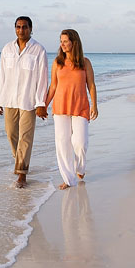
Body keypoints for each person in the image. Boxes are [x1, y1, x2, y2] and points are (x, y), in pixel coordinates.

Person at [0, 16, 49, 188]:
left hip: (28, 100)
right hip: (9, 98)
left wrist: (41, 103)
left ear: (31, 29)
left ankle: (22, 173)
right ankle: (19, 162)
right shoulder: (7, 49)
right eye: (18, 27)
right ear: (15, 28)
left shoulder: (38, 50)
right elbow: (2, 74)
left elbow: (42, 78)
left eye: (25, 27)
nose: (21, 30)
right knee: (11, 133)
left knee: (25, 136)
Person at [45, 29, 98, 189]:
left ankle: (80, 168)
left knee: (80, 143)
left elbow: (91, 85)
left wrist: (94, 105)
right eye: (61, 41)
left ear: (74, 43)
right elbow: (53, 86)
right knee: (62, 143)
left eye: (65, 41)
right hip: (60, 107)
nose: (62, 44)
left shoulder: (85, 62)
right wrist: (44, 105)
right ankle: (68, 179)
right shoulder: (57, 62)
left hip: (81, 106)